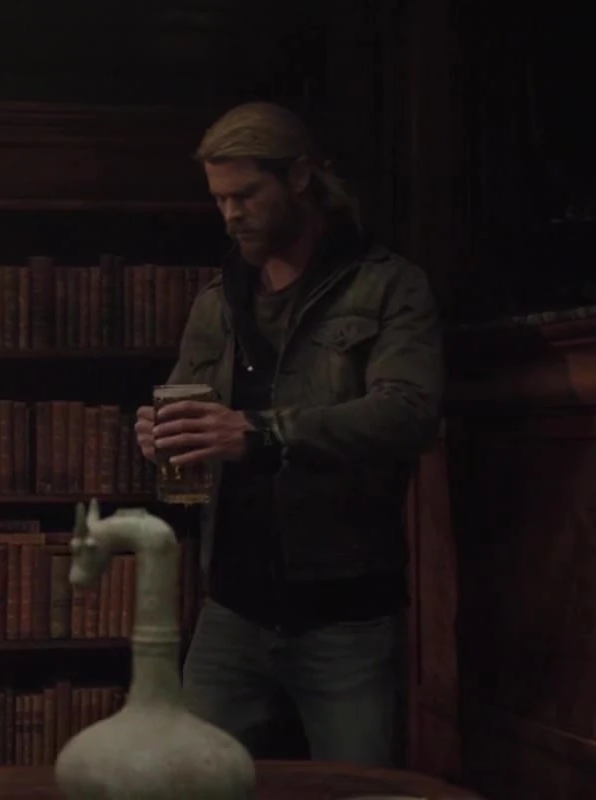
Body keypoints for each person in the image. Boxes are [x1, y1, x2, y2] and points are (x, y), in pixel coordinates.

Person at [133, 102, 443, 766]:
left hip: (345, 616)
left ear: (300, 177)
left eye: (246, 194)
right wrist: (159, 435)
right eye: (219, 199)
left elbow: (409, 412)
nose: (230, 214)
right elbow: (191, 414)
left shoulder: (388, 286)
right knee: (186, 783)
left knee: (357, 792)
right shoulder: (216, 303)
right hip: (231, 611)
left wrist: (262, 432)